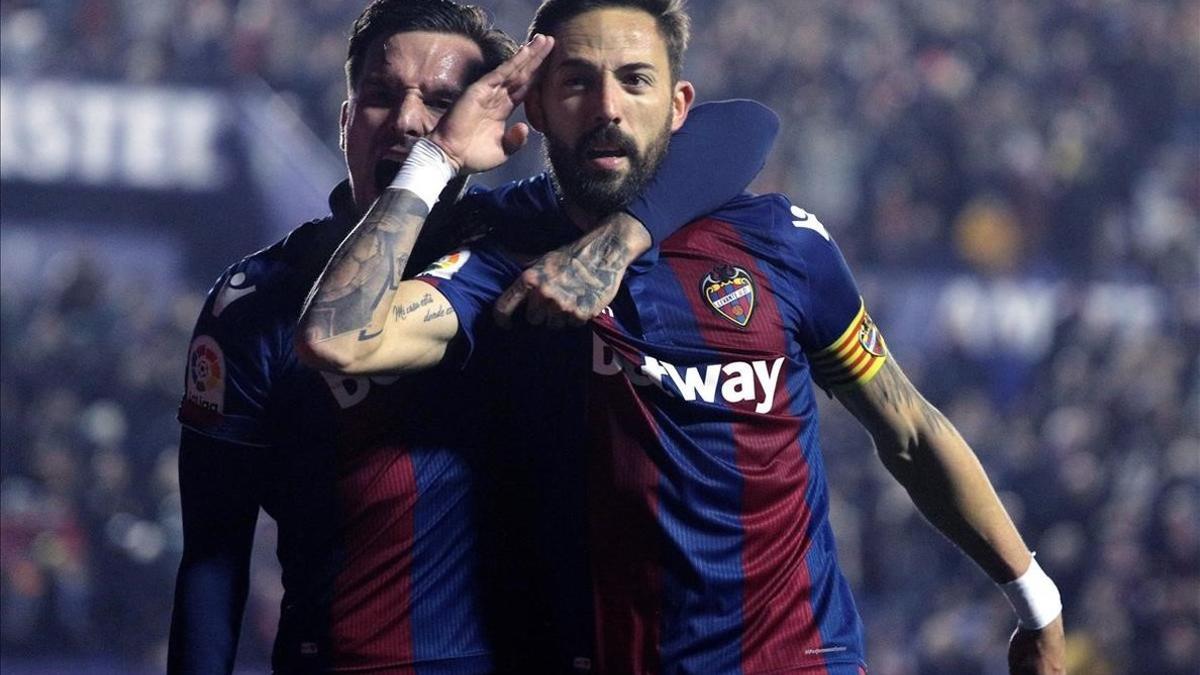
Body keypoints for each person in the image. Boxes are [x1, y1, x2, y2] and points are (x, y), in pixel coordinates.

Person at [297, 1, 1069, 674]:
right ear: (535, 106)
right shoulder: (502, 247)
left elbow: (907, 427)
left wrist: (1036, 599)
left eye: (635, 81)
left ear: (678, 105)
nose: (607, 108)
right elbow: (339, 337)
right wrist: (433, 160)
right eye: (576, 82)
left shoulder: (782, 243)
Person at [169, 0, 778, 672]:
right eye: (379, 95)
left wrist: (624, 234)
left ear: (495, 123)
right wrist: (434, 157)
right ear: (345, 122)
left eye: (440, 101)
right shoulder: (256, 302)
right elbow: (212, 558)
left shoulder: (527, 235)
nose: (406, 120)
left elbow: (745, 126)